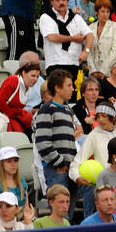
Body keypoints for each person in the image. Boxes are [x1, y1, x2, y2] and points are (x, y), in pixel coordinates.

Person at [34, 67, 78, 195]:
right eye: (69, 85)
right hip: (56, 169)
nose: (72, 89)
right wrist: (59, 163)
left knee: (69, 209)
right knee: (58, 208)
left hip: (69, 168)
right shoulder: (47, 109)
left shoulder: (67, 109)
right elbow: (42, 142)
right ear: (58, 88)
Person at [39, 0, 93, 77]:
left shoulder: (76, 18)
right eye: (58, 0)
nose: (61, 2)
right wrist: (73, 38)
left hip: (74, 63)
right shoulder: (46, 17)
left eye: (64, 0)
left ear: (68, 1)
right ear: (52, 2)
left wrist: (86, 51)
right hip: (55, 64)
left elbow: (90, 35)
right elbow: (52, 37)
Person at [0, 56, 40, 134]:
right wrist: (15, 114)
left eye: (37, 77)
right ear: (24, 73)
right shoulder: (13, 80)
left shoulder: (27, 87)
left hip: (8, 117)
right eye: (33, 76)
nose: (35, 79)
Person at [86, 0, 116, 81]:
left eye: (107, 11)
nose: (105, 14)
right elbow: (88, 50)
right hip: (93, 74)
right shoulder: (90, 27)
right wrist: (93, 70)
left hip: (110, 73)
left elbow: (115, 52)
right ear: (96, 12)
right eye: (102, 11)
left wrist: (103, 71)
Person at [0, 144, 33, 209]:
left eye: (15, 160)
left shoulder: (21, 180)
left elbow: (26, 208)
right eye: (9, 161)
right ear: (1, 164)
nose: (13, 164)